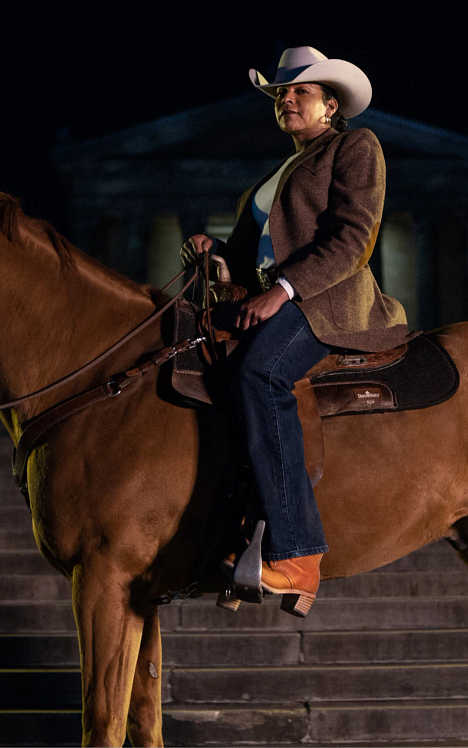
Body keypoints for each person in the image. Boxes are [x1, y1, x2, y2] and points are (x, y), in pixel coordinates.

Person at [182, 46, 411, 615]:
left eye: (299, 92)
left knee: (260, 375)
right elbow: (247, 256)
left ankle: (299, 555)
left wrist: (282, 290)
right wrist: (218, 254)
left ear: (330, 106)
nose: (286, 100)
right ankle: (239, 529)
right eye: (280, 93)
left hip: (327, 303)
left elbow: (354, 239)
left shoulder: (356, 147)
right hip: (275, 298)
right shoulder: (274, 174)